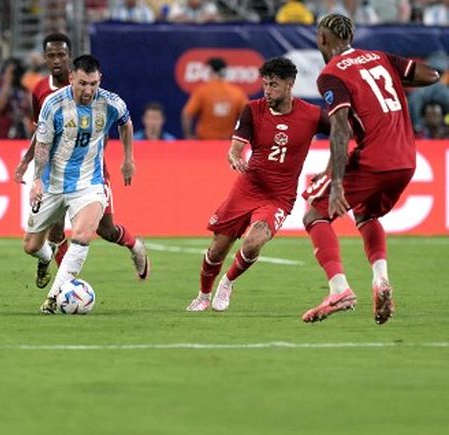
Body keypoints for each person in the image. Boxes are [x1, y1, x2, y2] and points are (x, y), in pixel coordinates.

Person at [300, 14, 440, 324]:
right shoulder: (380, 58)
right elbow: (431, 76)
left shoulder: (331, 74)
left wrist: (336, 184)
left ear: (322, 39)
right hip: (407, 159)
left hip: (376, 160)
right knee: (366, 214)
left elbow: (339, 129)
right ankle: (381, 280)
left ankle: (339, 290)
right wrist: (389, 77)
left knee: (314, 213)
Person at [185, 57, 330, 312]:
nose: (268, 90)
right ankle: (202, 295)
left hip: (279, 197)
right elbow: (235, 149)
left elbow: (343, 131)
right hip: (247, 188)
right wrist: (234, 158)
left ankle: (227, 283)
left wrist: (333, 168)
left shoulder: (312, 115)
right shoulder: (252, 110)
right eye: (265, 84)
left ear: (290, 84)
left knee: (253, 242)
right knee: (218, 249)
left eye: (273, 85)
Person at [14, 33, 149, 290]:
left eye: (61, 55)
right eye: (51, 55)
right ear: (44, 58)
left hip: (91, 173)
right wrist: (28, 164)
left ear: (69, 59)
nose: (56, 60)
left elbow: (125, 122)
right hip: (55, 175)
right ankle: (63, 283)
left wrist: (127, 159)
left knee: (105, 230)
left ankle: (134, 245)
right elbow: (40, 135)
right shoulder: (43, 93)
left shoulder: (106, 99)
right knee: (50, 236)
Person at [182, 57, 249, 140]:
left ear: (210, 71)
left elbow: (187, 114)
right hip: (227, 142)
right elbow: (248, 115)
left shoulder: (202, 91)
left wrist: (188, 135)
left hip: (205, 141)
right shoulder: (237, 92)